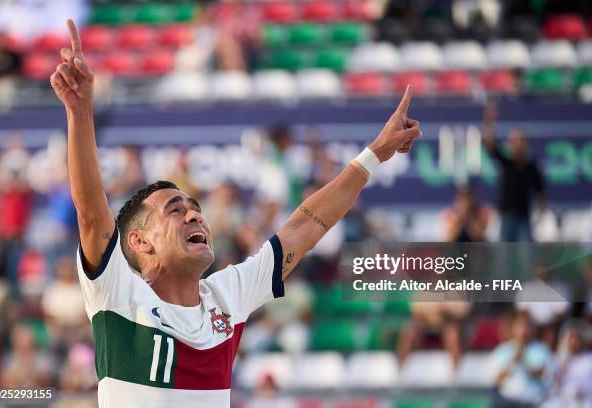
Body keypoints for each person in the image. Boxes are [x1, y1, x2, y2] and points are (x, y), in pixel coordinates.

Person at [50, 19, 422, 408]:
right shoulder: (119, 295)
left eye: (196, 208)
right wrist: (79, 111)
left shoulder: (226, 296)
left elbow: (304, 226)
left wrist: (376, 154)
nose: (195, 216)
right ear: (139, 241)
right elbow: (92, 214)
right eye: (175, 210)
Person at [482, 104, 545, 242]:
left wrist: (541, 215)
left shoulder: (531, 166)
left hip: (524, 217)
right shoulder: (506, 162)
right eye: (515, 141)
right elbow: (490, 144)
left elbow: (540, 191)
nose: (518, 144)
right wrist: (490, 121)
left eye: (521, 141)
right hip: (506, 217)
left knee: (526, 255)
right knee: (505, 257)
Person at [490, 310, 553, 407]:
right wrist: (512, 362)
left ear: (533, 328)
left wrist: (524, 361)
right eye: (521, 325)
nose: (524, 330)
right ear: (513, 328)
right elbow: (497, 381)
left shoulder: (542, 350)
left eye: (528, 326)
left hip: (533, 402)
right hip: (507, 402)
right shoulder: (503, 350)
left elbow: (542, 376)